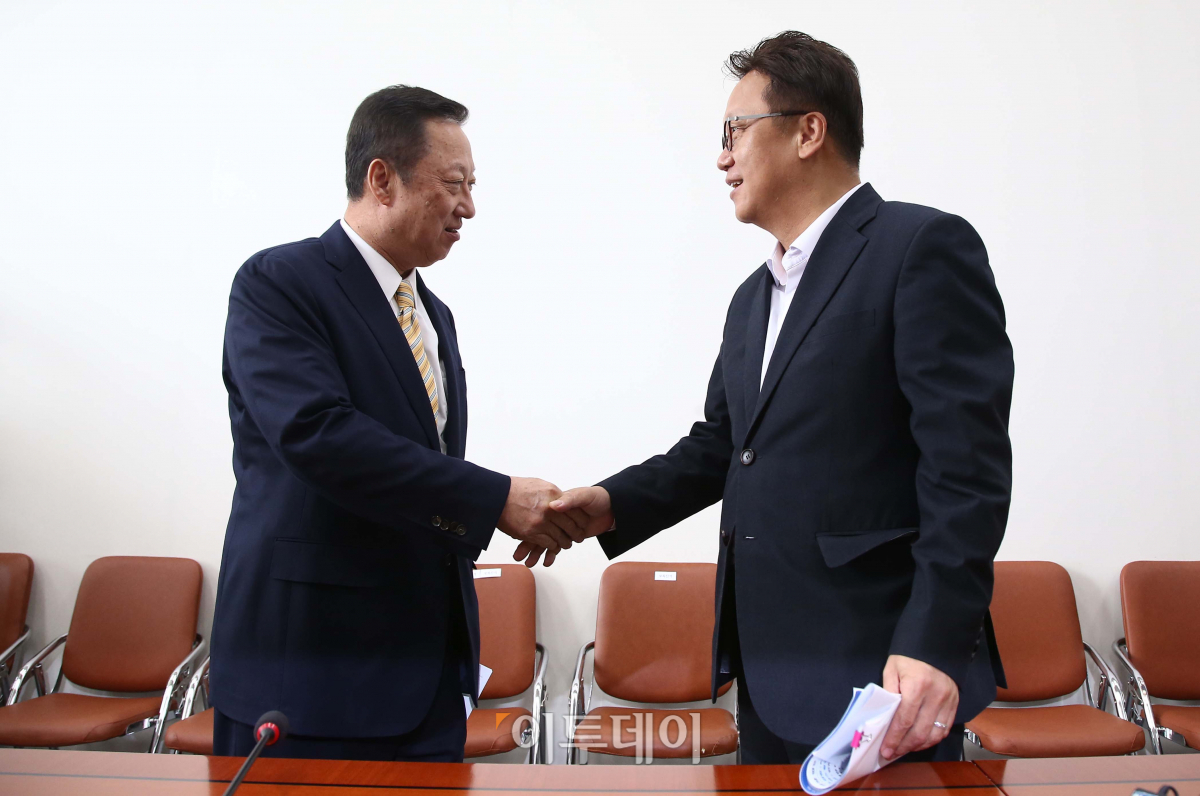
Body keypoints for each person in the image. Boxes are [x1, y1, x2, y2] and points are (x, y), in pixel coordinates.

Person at [536, 32, 1013, 764]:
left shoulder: (919, 247)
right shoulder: (751, 298)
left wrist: (932, 643)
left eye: (735, 131)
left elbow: (966, 470)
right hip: (767, 664)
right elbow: (726, 446)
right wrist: (610, 503)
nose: (721, 157)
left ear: (808, 132)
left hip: (884, 668)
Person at [210, 85, 582, 762]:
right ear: (382, 179)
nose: (469, 206)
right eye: (454, 184)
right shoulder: (280, 282)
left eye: (472, 186)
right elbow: (318, 435)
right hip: (313, 674)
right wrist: (495, 498)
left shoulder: (433, 314)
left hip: (425, 674)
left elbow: (421, 466)